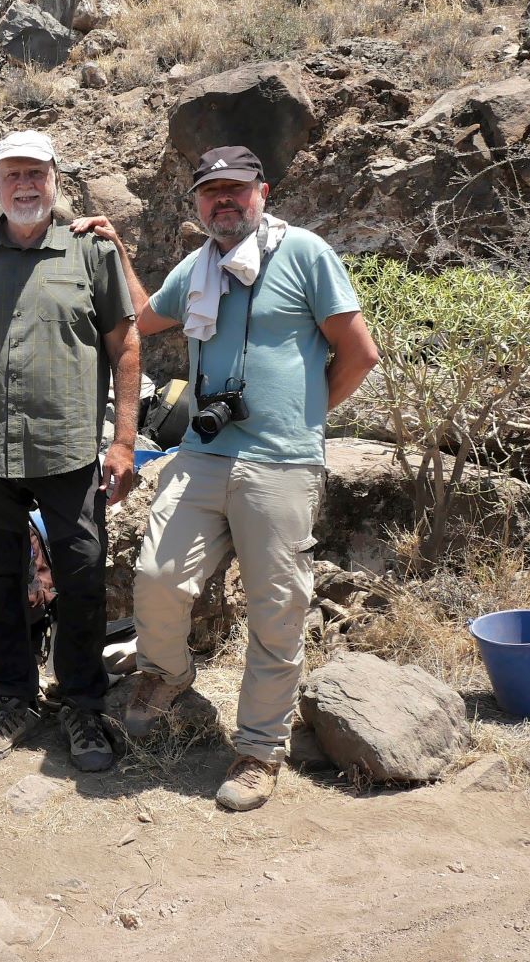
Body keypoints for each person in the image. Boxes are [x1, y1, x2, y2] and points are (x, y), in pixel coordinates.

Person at [90, 144, 379, 811]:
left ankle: (257, 749)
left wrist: (304, 416)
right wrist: (118, 252)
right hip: (202, 454)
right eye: (210, 191)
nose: (224, 200)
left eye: (235, 189)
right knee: (159, 576)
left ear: (263, 192)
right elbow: (144, 316)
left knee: (277, 609)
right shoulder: (199, 266)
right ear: (197, 202)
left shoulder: (303, 252)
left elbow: (359, 353)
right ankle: (168, 675)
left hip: (281, 464)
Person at [0, 131, 140, 773]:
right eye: (12, 174)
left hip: (70, 450)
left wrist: (125, 440)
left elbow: (126, 346)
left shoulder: (90, 251)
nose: (24, 185)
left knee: (81, 581)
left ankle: (81, 705)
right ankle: (12, 700)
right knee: (0, 582)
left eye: (36, 174)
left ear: (55, 181)